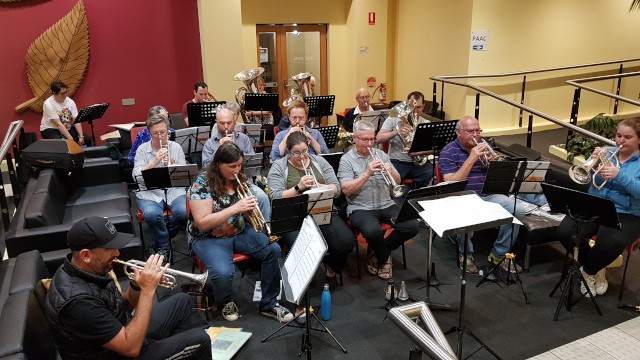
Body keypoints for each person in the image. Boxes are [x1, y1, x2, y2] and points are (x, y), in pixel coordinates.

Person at [45, 216, 211, 360]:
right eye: (109, 249)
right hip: (120, 353)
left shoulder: (90, 269)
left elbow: (120, 306)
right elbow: (131, 349)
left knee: (181, 302)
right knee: (200, 341)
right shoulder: (78, 302)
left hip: (121, 334)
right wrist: (147, 290)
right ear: (85, 255)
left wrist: (136, 285)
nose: (117, 253)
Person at [188, 142, 293, 323]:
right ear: (218, 164)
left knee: (273, 250)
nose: (237, 170)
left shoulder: (239, 178)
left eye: (239, 165)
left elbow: (245, 213)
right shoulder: (202, 184)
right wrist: (235, 208)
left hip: (238, 231)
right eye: (232, 167)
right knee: (223, 272)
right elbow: (203, 223)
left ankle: (269, 304)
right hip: (208, 238)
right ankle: (225, 302)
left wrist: (250, 212)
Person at [557, 117, 640, 297]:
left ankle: (587, 272)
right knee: (565, 232)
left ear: (639, 139)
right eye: (618, 136)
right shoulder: (607, 152)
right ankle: (595, 266)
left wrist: (619, 176)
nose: (620, 141)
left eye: (627, 137)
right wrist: (593, 163)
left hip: (627, 213)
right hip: (595, 203)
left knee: (612, 241)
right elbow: (585, 179)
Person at [438, 116, 526, 274]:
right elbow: (451, 183)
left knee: (517, 210)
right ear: (458, 132)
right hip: (463, 197)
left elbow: (500, 176)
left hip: (488, 194)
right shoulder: (448, 151)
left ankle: (499, 254)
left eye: (478, 130)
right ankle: (466, 254)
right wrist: (471, 159)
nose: (476, 135)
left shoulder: (485, 146)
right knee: (468, 215)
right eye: (470, 131)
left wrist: (495, 165)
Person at [337, 121, 419, 279]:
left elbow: (398, 180)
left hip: (386, 203)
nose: (369, 144)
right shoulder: (346, 160)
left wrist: (390, 171)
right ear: (355, 138)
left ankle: (379, 252)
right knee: (372, 231)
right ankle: (384, 259)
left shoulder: (381, 154)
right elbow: (346, 189)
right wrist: (367, 173)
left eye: (372, 139)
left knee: (412, 226)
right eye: (365, 139)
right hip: (360, 207)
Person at [268, 131, 355, 278]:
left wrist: (321, 186)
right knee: (304, 249)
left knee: (347, 242)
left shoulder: (319, 161)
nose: (302, 156)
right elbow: (275, 197)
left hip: (321, 210)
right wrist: (298, 188)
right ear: (288, 152)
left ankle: (328, 262)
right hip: (292, 216)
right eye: (296, 153)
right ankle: (301, 279)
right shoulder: (278, 166)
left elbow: (336, 188)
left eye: (304, 151)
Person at [202, 107, 271, 223]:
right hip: (220, 185)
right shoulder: (210, 143)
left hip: (243, 181)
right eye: (221, 123)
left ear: (234, 122)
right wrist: (219, 149)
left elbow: (253, 164)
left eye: (229, 123)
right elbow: (205, 168)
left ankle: (265, 232)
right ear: (216, 123)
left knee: (262, 197)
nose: (225, 127)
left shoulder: (244, 139)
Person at [133, 115, 188, 259]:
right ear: (149, 133)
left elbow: (185, 174)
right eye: (155, 133)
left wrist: (172, 162)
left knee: (184, 212)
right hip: (149, 192)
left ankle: (161, 239)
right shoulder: (142, 150)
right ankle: (163, 246)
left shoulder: (175, 147)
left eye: (163, 132)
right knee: (152, 215)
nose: (160, 137)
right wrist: (154, 162)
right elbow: (136, 176)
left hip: (173, 190)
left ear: (168, 131)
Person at [377, 91, 434, 188]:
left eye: (418, 107)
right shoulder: (393, 119)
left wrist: (417, 151)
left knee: (432, 172)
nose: (414, 110)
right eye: (412, 106)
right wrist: (396, 132)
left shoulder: (425, 123)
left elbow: (433, 148)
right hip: (397, 161)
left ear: (423, 106)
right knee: (387, 179)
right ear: (407, 105)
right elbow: (379, 138)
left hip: (418, 164)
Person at [40, 80, 90, 146]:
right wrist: (70, 139)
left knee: (87, 140)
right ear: (55, 93)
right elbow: (58, 124)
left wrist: (81, 136)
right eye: (62, 93)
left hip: (67, 128)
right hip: (51, 129)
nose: (65, 95)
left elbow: (76, 120)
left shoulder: (70, 102)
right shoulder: (48, 104)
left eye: (66, 92)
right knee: (63, 144)